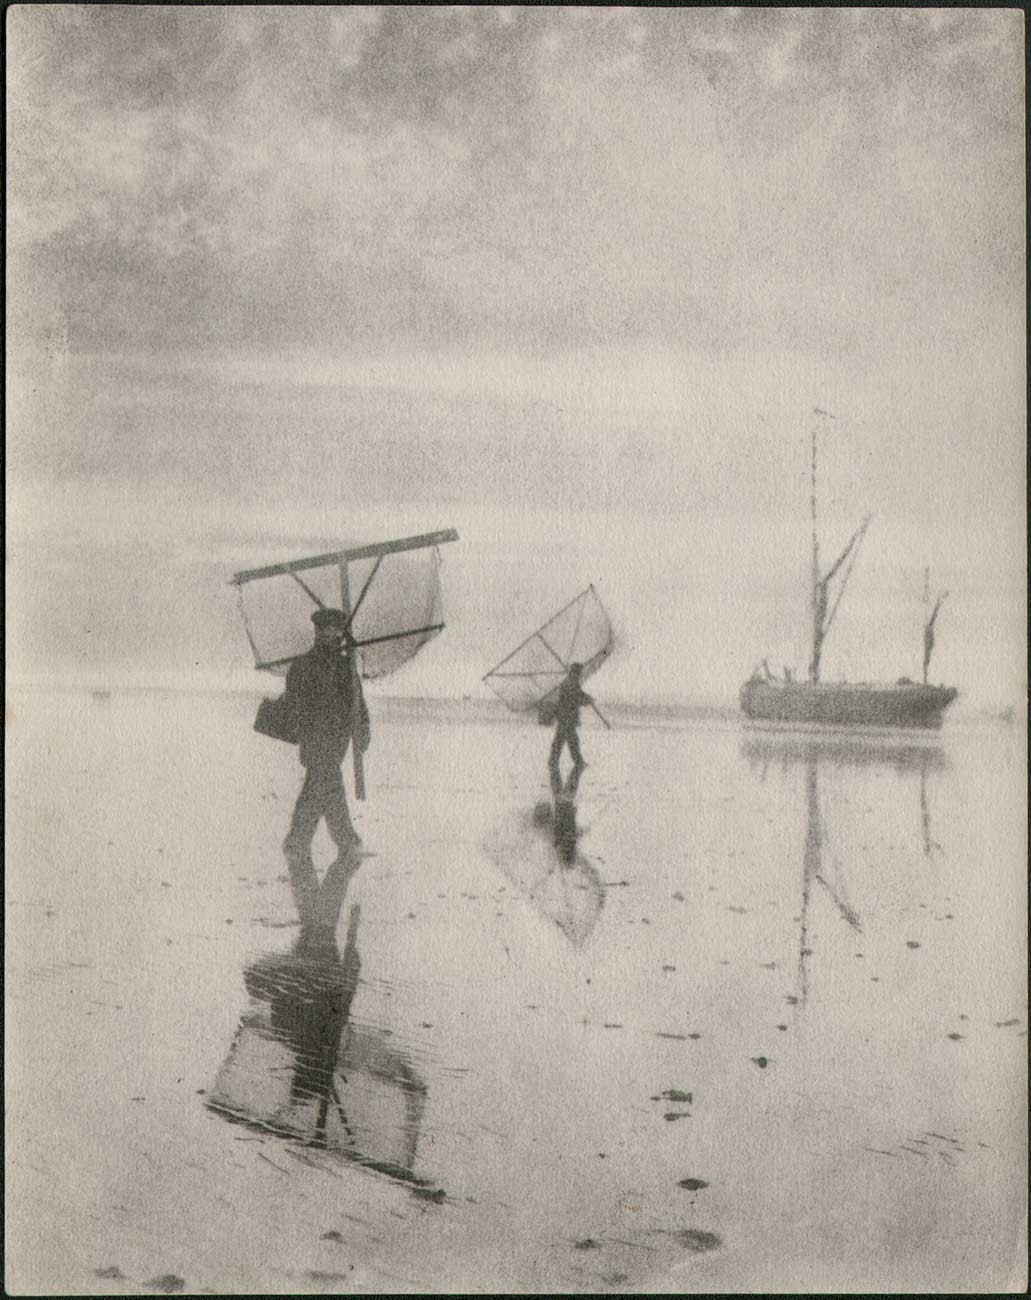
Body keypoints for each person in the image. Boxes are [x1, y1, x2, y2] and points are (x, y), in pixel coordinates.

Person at [282, 607, 370, 869]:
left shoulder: (346, 667)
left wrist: (362, 731)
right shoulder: (303, 665)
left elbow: (358, 703)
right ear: (317, 632)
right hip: (314, 738)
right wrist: (304, 727)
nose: (328, 635)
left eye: (334, 630)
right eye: (324, 630)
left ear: (340, 633)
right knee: (326, 783)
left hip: (336, 739)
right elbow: (293, 704)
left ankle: (301, 842)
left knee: (322, 787)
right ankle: (343, 842)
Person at [548, 662, 592, 789]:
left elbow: (579, 694)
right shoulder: (570, 683)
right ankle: (577, 762)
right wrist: (585, 700)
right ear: (576, 672)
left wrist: (586, 697)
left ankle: (554, 760)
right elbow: (575, 698)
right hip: (567, 716)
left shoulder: (570, 682)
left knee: (561, 739)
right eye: (579, 672)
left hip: (564, 717)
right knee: (570, 740)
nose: (580, 674)